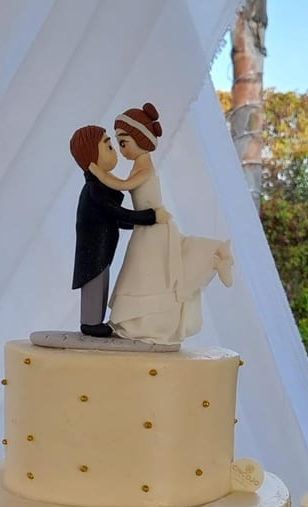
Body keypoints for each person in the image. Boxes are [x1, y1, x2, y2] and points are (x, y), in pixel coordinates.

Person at [88, 103, 233, 345]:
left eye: (123, 143)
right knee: (144, 274)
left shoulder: (144, 166)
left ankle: (216, 258)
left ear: (139, 139)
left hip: (154, 228)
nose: (121, 150)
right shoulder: (138, 165)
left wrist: (98, 173)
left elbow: (123, 185)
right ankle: (139, 323)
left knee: (152, 274)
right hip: (146, 228)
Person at [70, 125, 169, 338]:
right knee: (94, 286)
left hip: (101, 251)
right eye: (108, 146)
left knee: (101, 286)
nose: (114, 151)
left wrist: (141, 223)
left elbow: (117, 218)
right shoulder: (94, 189)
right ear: (92, 157)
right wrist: (150, 217)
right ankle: (90, 322)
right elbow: (118, 214)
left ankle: (94, 320)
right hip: (93, 252)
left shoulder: (101, 187)